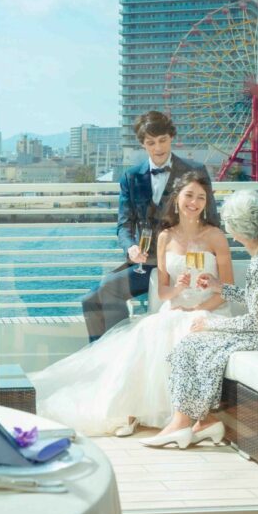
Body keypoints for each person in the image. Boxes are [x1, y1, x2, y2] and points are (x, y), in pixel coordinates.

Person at [30, 172, 233, 436]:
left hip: (210, 309)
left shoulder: (215, 236)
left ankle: (180, 417)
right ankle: (129, 411)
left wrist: (197, 308)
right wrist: (179, 289)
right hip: (174, 308)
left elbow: (227, 290)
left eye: (201, 198)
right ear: (177, 198)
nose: (194, 202)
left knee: (182, 333)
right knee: (145, 332)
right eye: (189, 195)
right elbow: (163, 291)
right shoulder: (165, 237)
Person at [141, 190, 258, 449]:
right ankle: (203, 422)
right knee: (194, 344)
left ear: (237, 229)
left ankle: (182, 423)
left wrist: (211, 323)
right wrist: (220, 287)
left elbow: (257, 321)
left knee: (191, 345)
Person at [81, 111, 218, 343]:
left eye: (163, 140)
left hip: (179, 262)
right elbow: (124, 224)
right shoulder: (131, 177)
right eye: (151, 142)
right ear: (142, 144)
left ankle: (119, 348)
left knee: (108, 288)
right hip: (144, 261)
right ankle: (103, 353)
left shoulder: (195, 171)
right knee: (90, 300)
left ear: (171, 137)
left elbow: (212, 219)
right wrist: (131, 247)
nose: (158, 148)